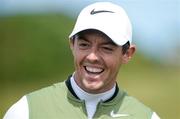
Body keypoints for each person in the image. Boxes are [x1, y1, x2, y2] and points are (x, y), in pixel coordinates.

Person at [3, 2, 160, 119]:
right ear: (72, 44)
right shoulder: (26, 111)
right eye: (84, 45)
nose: (92, 56)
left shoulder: (146, 117)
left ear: (127, 53)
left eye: (106, 48)